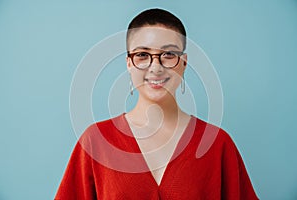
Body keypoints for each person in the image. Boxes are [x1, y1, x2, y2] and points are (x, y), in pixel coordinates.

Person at [55, 8, 258, 200]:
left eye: (169, 54)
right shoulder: (96, 141)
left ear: (184, 62)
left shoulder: (217, 144)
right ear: (128, 63)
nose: (156, 68)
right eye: (142, 55)